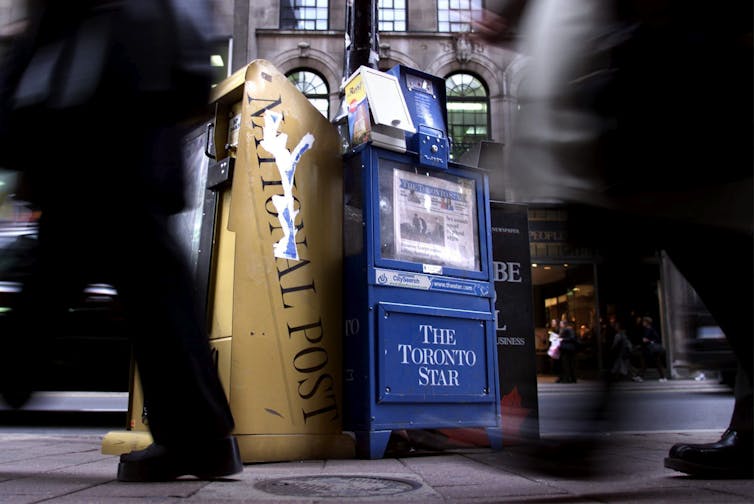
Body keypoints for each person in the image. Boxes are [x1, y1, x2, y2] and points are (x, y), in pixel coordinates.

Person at [475, 0, 752, 478]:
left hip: (671, 87)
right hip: (643, 97)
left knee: (694, 247)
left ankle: (590, 438)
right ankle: (593, 437)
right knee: (677, 248)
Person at [0, 0, 242, 482]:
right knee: (150, 292)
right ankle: (204, 440)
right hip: (119, 138)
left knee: (96, 283)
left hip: (104, 135)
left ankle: (203, 439)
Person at [639, 316, 667, 382]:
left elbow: (656, 339)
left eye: (644, 322)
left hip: (652, 350)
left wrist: (648, 340)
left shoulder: (650, 329)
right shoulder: (647, 329)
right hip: (650, 349)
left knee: (651, 362)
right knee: (648, 362)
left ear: (647, 323)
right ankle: (640, 376)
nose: (643, 323)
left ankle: (640, 376)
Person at [557, 319, 578, 384]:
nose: (560, 325)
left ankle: (570, 378)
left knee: (568, 364)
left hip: (568, 349)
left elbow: (572, 338)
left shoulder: (569, 329)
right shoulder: (564, 330)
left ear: (564, 324)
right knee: (567, 364)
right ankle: (569, 378)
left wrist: (562, 339)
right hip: (566, 349)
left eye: (561, 323)